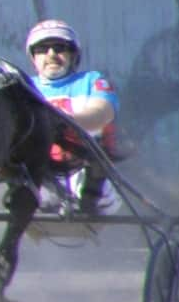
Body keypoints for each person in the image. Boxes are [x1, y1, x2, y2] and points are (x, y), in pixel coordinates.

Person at [25, 18, 119, 215]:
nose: (51, 54)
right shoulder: (23, 87)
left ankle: (84, 202)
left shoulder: (92, 80)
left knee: (98, 139)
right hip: (35, 170)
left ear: (73, 55)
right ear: (33, 58)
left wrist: (62, 122)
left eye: (60, 48)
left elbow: (102, 112)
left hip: (85, 170)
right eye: (42, 49)